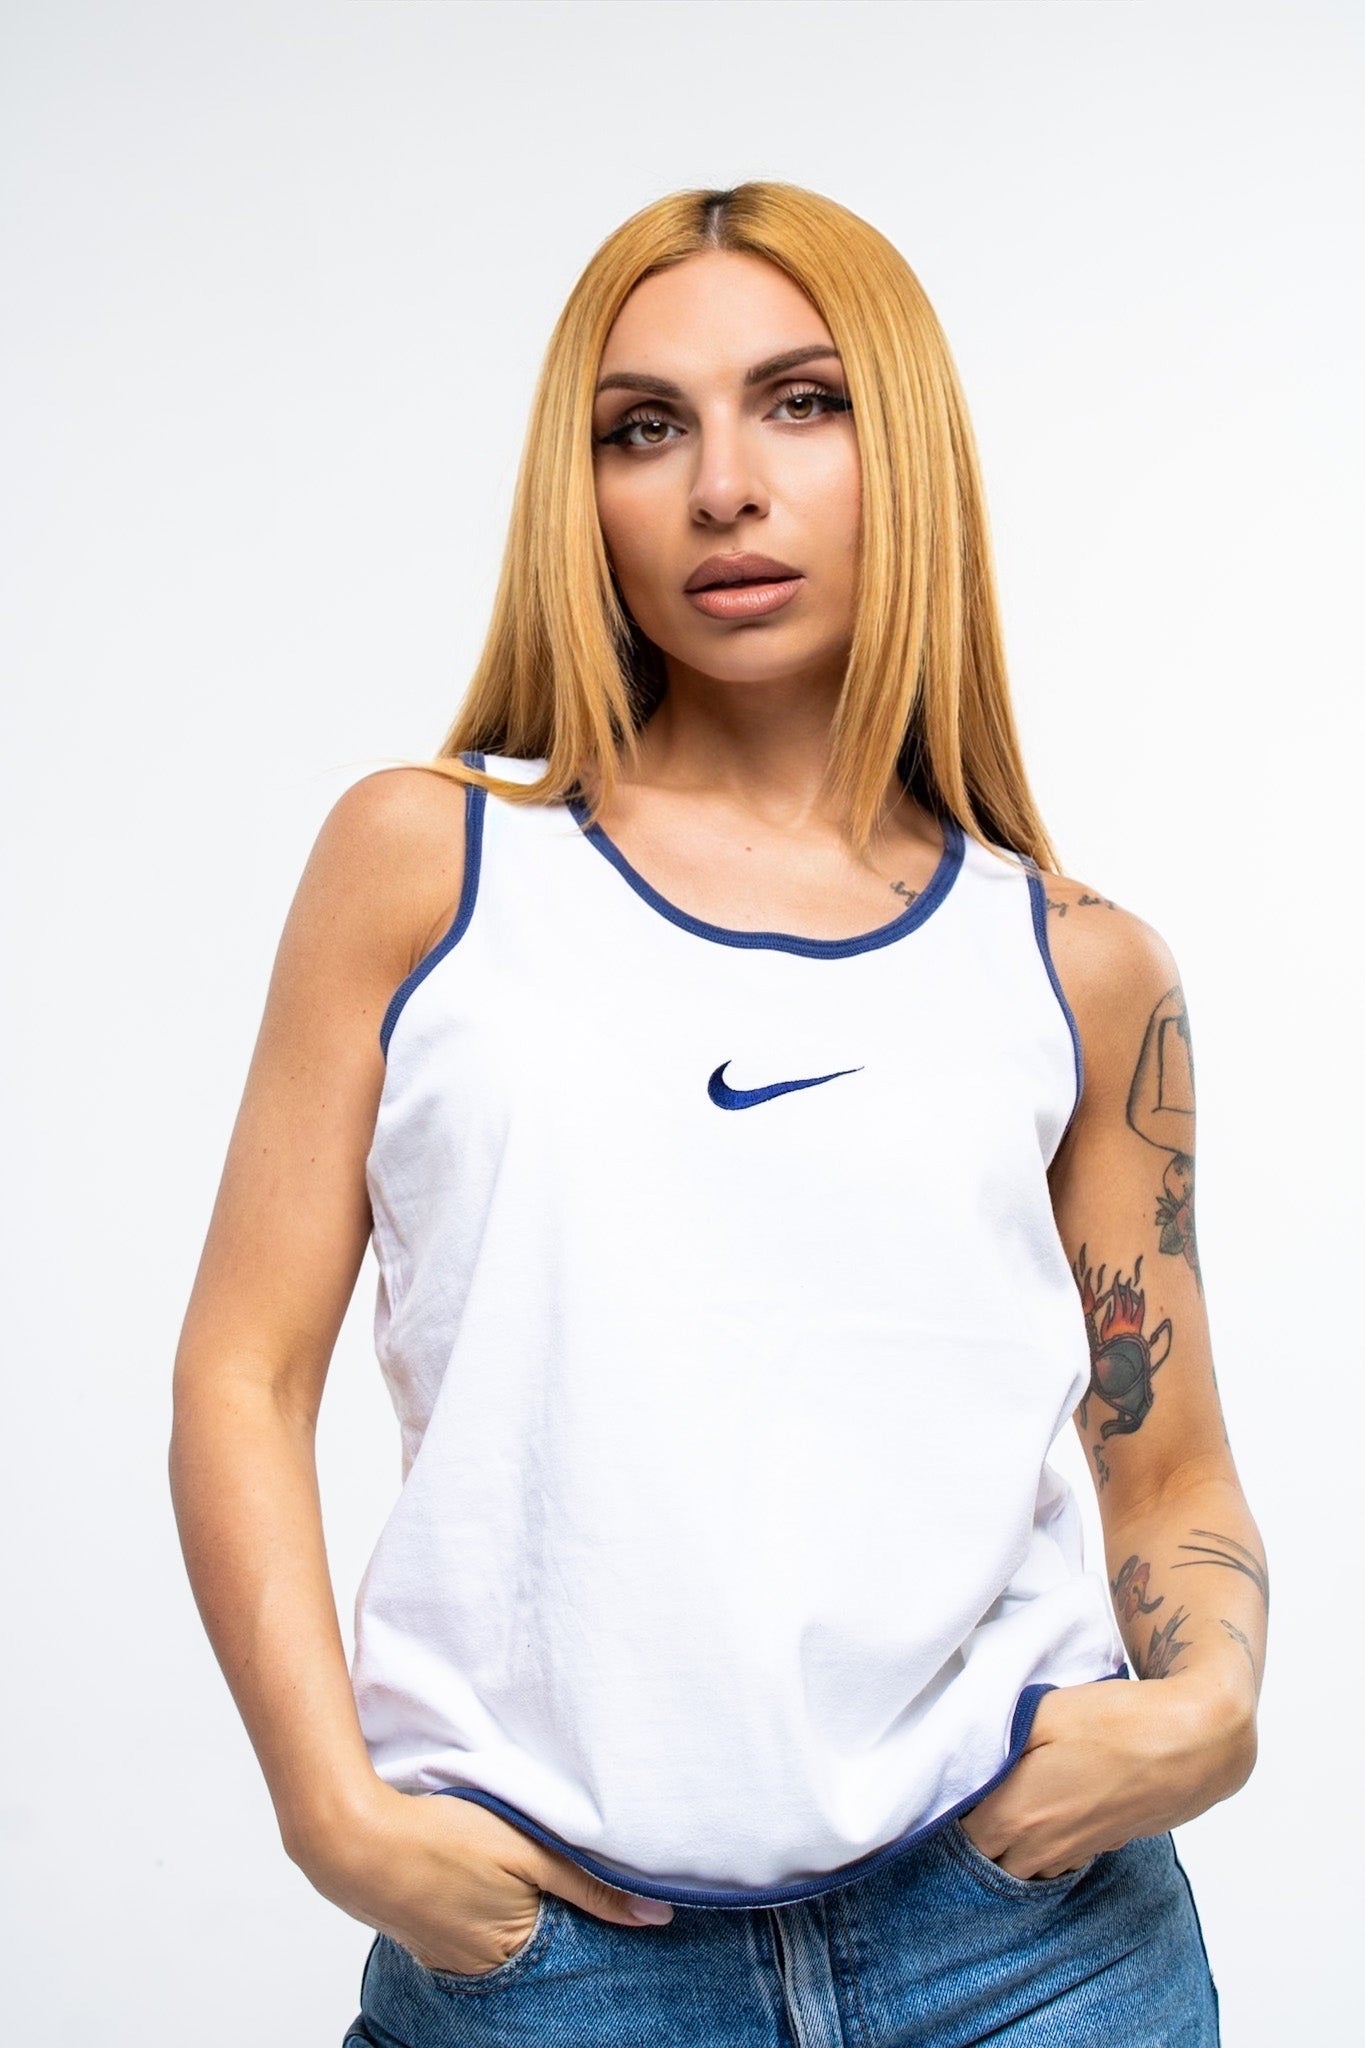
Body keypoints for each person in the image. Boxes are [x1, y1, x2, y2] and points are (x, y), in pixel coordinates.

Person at [169, 181, 1266, 2046]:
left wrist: (1207, 1708)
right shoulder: (426, 865)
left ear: (901, 449)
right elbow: (242, 1373)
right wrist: (332, 1814)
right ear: (581, 489)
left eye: (801, 403)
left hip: (1031, 1950)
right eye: (643, 428)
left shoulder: (1080, 965)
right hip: (554, 1964)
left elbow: (1162, 1462)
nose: (722, 488)